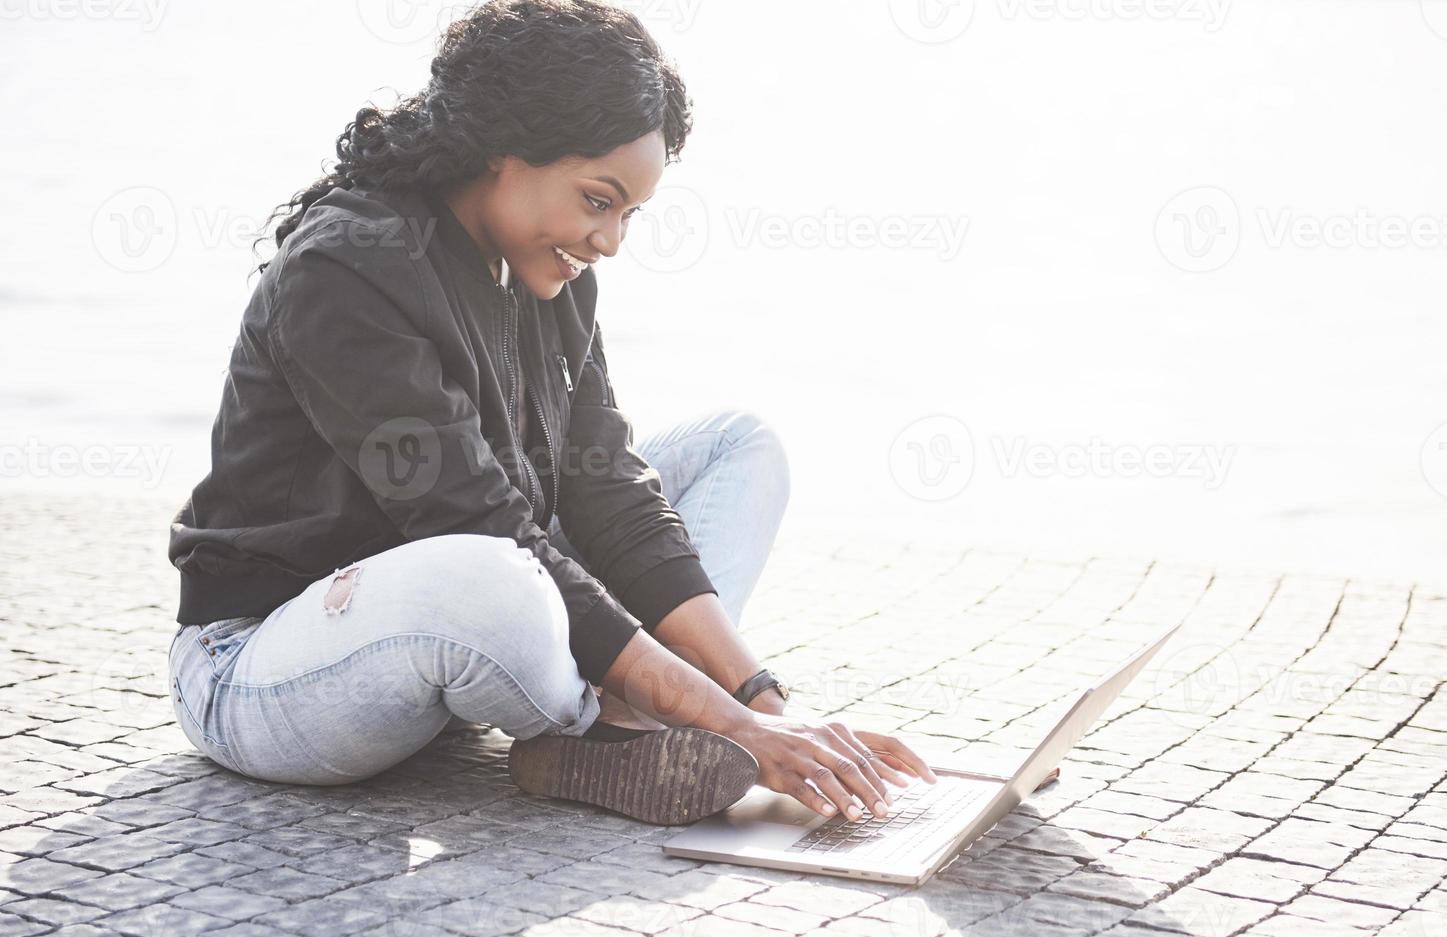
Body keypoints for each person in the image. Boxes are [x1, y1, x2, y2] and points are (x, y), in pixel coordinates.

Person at [166, 0, 937, 827]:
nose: (609, 242)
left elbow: (608, 492)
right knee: (491, 572)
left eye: (628, 215)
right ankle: (595, 729)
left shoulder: (548, 272)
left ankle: (624, 712)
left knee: (736, 446)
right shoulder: (348, 266)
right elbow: (477, 524)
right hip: (268, 667)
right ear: (503, 146)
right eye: (598, 201)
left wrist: (766, 705)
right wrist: (733, 727)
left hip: (468, 631)